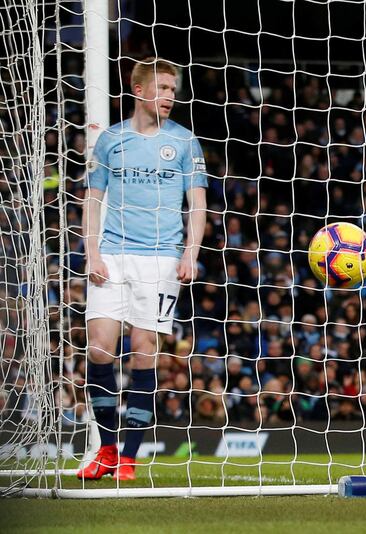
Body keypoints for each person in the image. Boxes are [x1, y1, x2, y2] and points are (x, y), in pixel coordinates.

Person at [77, 57, 207, 481]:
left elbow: (198, 203)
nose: (171, 96)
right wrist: (91, 251)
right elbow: (93, 200)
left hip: (160, 257)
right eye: (164, 88)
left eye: (173, 89)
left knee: (144, 350)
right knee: (98, 348)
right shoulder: (110, 141)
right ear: (139, 90)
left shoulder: (185, 142)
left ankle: (129, 457)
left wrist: (190, 252)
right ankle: (108, 449)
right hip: (112, 253)